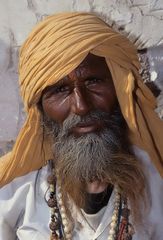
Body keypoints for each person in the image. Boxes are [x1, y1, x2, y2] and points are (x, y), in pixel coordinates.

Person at [0, 12, 163, 240]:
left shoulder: (156, 180)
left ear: (118, 87)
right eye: (60, 90)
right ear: (40, 108)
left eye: (93, 81)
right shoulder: (12, 195)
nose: (81, 106)